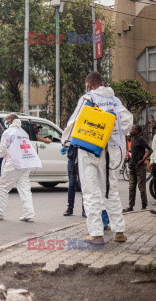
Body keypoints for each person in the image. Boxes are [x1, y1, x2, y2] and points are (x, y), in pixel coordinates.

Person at [62, 71, 133, 244]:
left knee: (91, 191)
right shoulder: (115, 101)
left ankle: (96, 233)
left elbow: (74, 121)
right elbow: (127, 121)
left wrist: (65, 141)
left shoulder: (88, 98)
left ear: (89, 84)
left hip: (90, 149)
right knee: (110, 191)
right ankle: (119, 231)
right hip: (112, 151)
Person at [0, 113, 41, 222]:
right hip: (25, 163)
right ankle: (29, 214)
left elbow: (1, 151)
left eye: (6, 120)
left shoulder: (8, 132)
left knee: (2, 186)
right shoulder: (23, 132)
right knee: (25, 189)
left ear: (10, 121)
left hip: (14, 163)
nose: (5, 122)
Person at [123, 125, 152, 212]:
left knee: (141, 187)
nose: (131, 130)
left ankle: (144, 206)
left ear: (137, 131)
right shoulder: (132, 140)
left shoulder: (141, 140)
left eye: (133, 129)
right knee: (131, 187)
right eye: (131, 128)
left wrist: (143, 160)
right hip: (132, 166)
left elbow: (150, 150)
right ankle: (131, 206)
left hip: (140, 167)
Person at [61, 145, 86, 217]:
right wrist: (65, 146)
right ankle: (70, 207)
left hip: (82, 159)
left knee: (83, 185)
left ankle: (85, 209)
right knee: (71, 184)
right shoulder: (70, 133)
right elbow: (65, 141)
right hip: (72, 158)